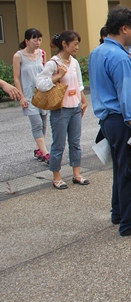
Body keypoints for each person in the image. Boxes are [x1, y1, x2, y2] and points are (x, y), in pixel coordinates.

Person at [89, 6, 131, 236]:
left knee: (121, 167)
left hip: (109, 122)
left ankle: (119, 212)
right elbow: (128, 100)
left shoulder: (98, 52)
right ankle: (130, 221)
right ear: (124, 28)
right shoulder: (120, 58)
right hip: (124, 121)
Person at [36, 31, 89, 189]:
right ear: (64, 44)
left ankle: (76, 174)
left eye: (78, 44)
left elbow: (79, 84)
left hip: (75, 108)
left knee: (75, 143)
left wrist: (84, 102)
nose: (77, 47)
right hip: (60, 109)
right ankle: (56, 176)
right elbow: (40, 83)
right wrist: (58, 76)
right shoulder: (53, 63)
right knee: (59, 144)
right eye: (74, 44)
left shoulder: (74, 62)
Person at [13, 28, 50, 163]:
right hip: (29, 95)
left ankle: (39, 149)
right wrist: (21, 96)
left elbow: (45, 72)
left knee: (44, 124)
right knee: (37, 124)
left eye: (40, 39)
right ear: (27, 41)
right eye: (35, 39)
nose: (38, 42)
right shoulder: (18, 56)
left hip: (42, 94)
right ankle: (46, 154)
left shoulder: (42, 53)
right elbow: (16, 78)